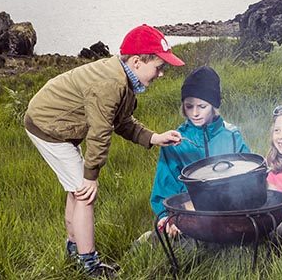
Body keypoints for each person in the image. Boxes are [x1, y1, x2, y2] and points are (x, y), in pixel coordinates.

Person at [24, 24, 184, 277]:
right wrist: (91, 176)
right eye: (159, 66)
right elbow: (100, 132)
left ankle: (74, 249)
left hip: (58, 126)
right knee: (85, 194)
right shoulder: (110, 84)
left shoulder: (125, 81)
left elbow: (122, 122)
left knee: (76, 191)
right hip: (48, 128)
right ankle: (90, 265)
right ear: (137, 62)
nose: (161, 73)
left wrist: (154, 137)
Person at [149, 66, 251, 237]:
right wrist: (167, 217)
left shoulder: (232, 135)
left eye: (202, 106)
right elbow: (164, 189)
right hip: (189, 216)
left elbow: (248, 178)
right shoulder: (175, 142)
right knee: (160, 243)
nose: (195, 113)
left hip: (229, 212)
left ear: (213, 105)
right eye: (189, 106)